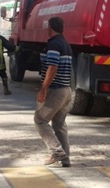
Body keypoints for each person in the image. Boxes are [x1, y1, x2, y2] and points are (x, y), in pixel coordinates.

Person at [34, 16, 73, 167]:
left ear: (50, 27)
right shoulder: (65, 44)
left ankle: (56, 152)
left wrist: (43, 89)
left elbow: (52, 67)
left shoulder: (54, 44)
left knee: (40, 119)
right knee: (59, 125)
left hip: (56, 90)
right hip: (66, 90)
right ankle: (65, 158)